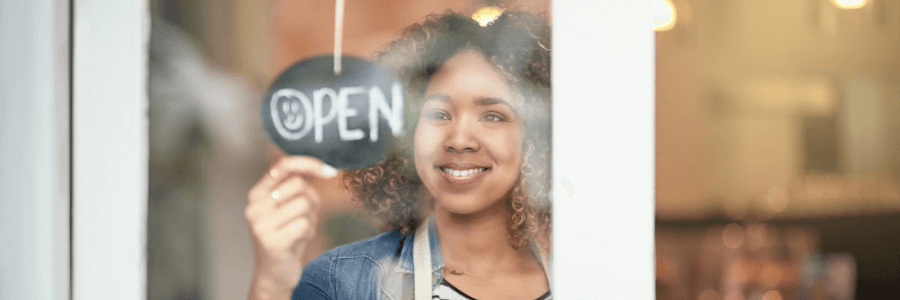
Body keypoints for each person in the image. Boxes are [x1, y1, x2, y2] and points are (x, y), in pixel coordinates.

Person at [245, 8, 552, 300]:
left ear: (535, 136)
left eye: (492, 116)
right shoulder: (340, 281)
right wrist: (272, 282)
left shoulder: (588, 270)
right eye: (438, 114)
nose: (459, 139)